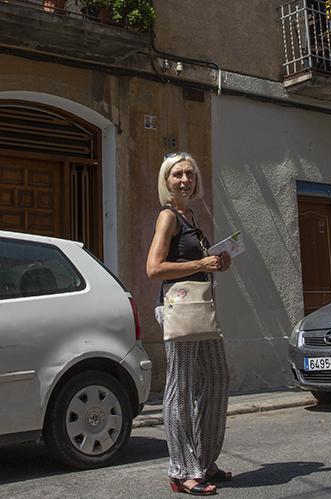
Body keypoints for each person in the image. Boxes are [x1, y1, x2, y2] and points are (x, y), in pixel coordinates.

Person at [146, 152, 233, 496]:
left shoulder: (191, 216)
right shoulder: (167, 217)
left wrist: (216, 263)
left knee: (216, 378)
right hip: (180, 308)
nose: (185, 179)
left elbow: (198, 264)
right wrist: (201, 262)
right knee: (179, 388)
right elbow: (154, 268)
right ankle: (182, 471)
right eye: (177, 174)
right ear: (166, 181)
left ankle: (204, 460)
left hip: (201, 309)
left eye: (190, 174)